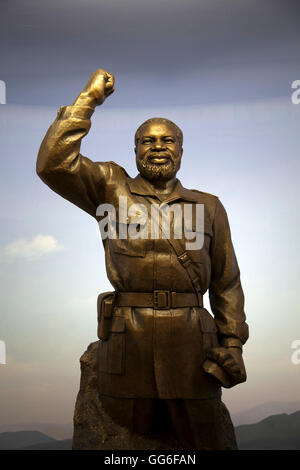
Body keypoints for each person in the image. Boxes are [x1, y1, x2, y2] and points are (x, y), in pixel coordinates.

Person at [36, 69, 249, 450]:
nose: (158, 146)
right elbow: (53, 164)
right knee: (120, 443)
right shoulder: (109, 188)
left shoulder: (208, 206)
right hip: (126, 340)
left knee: (204, 440)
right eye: (146, 141)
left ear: (181, 151)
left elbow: (227, 282)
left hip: (192, 345)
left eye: (168, 140)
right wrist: (89, 98)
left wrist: (232, 343)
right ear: (134, 150)